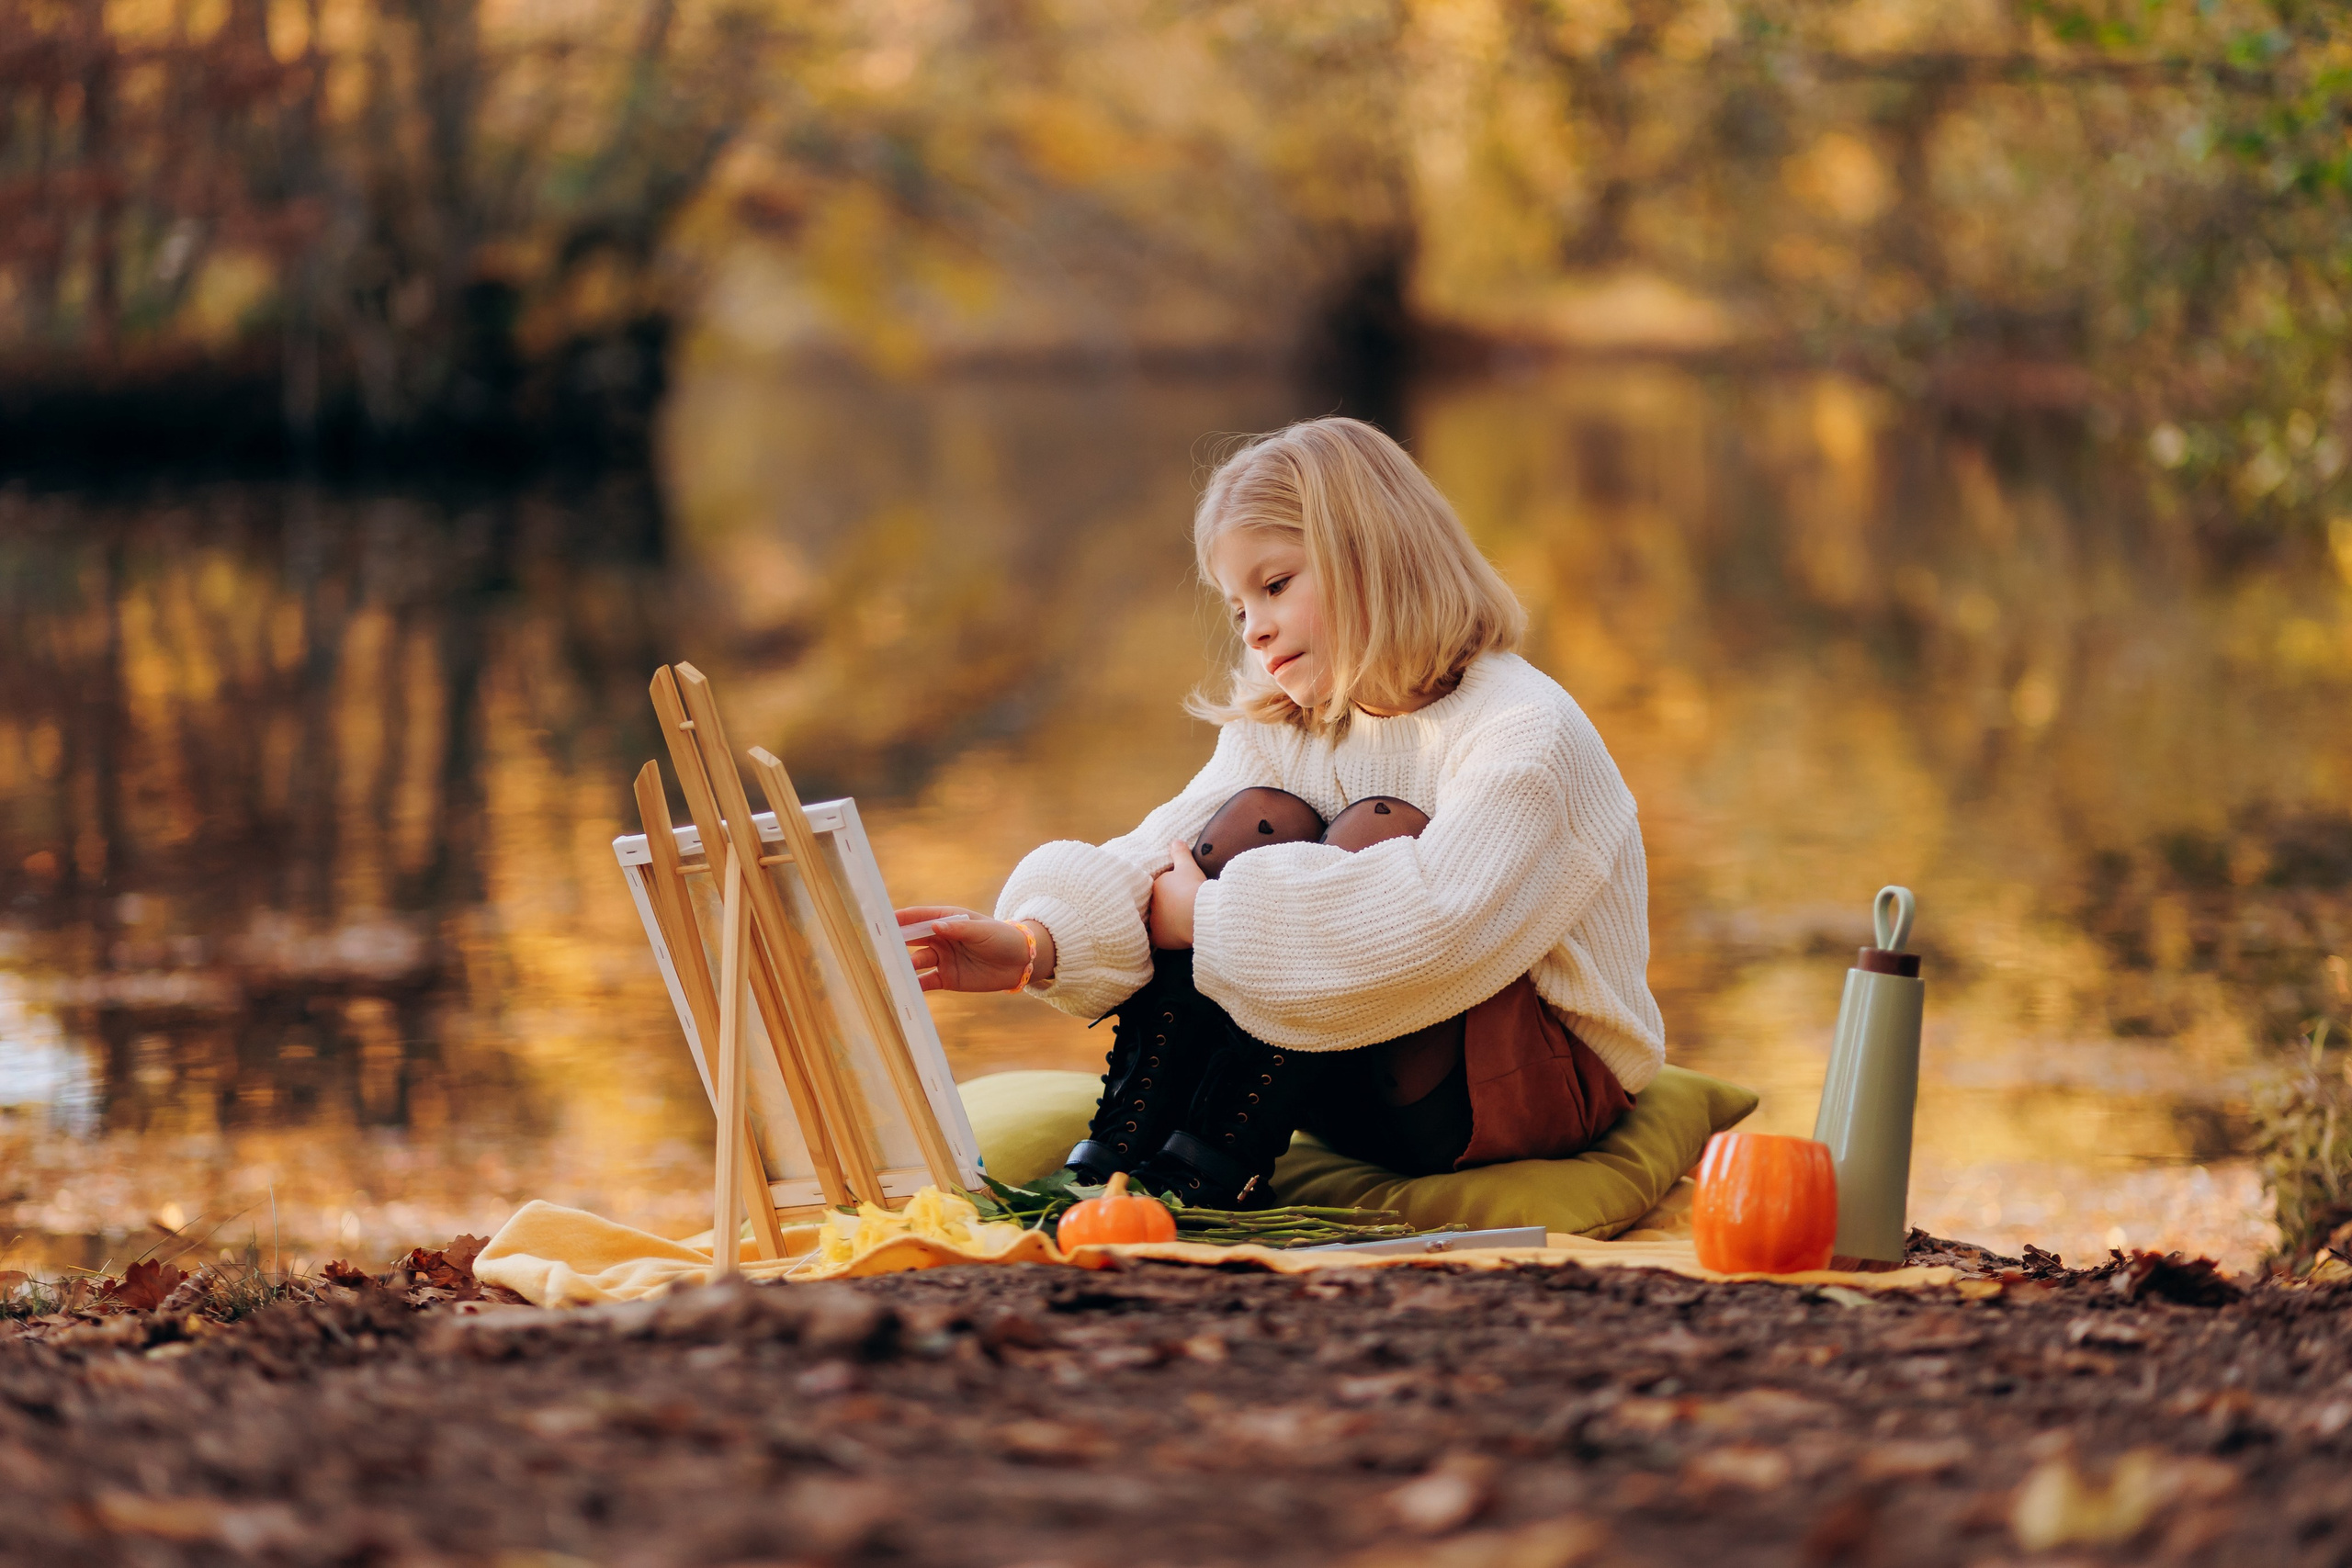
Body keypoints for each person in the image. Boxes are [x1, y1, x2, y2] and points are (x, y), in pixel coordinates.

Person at [896, 417, 1665, 1208]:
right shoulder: (1294, 722)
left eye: (1276, 585)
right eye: (1236, 607)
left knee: (1376, 830)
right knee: (1249, 818)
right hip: (1351, 1067)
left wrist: (1212, 917)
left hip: (1527, 1086)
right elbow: (1163, 851)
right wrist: (1033, 944)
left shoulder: (1522, 730)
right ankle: (1126, 1153)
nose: (1255, 627)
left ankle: (1213, 1171)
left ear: (1374, 558)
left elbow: (1440, 927)